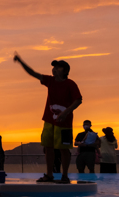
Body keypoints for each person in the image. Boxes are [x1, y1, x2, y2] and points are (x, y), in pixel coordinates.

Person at [13, 53, 82, 183]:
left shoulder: (70, 84)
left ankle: (65, 176)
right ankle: (49, 175)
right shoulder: (49, 81)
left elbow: (78, 100)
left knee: (63, 149)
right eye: (54, 67)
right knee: (48, 148)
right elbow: (33, 73)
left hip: (64, 123)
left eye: (58, 67)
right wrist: (21, 61)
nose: (54, 69)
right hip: (49, 121)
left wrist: (66, 112)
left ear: (65, 71)